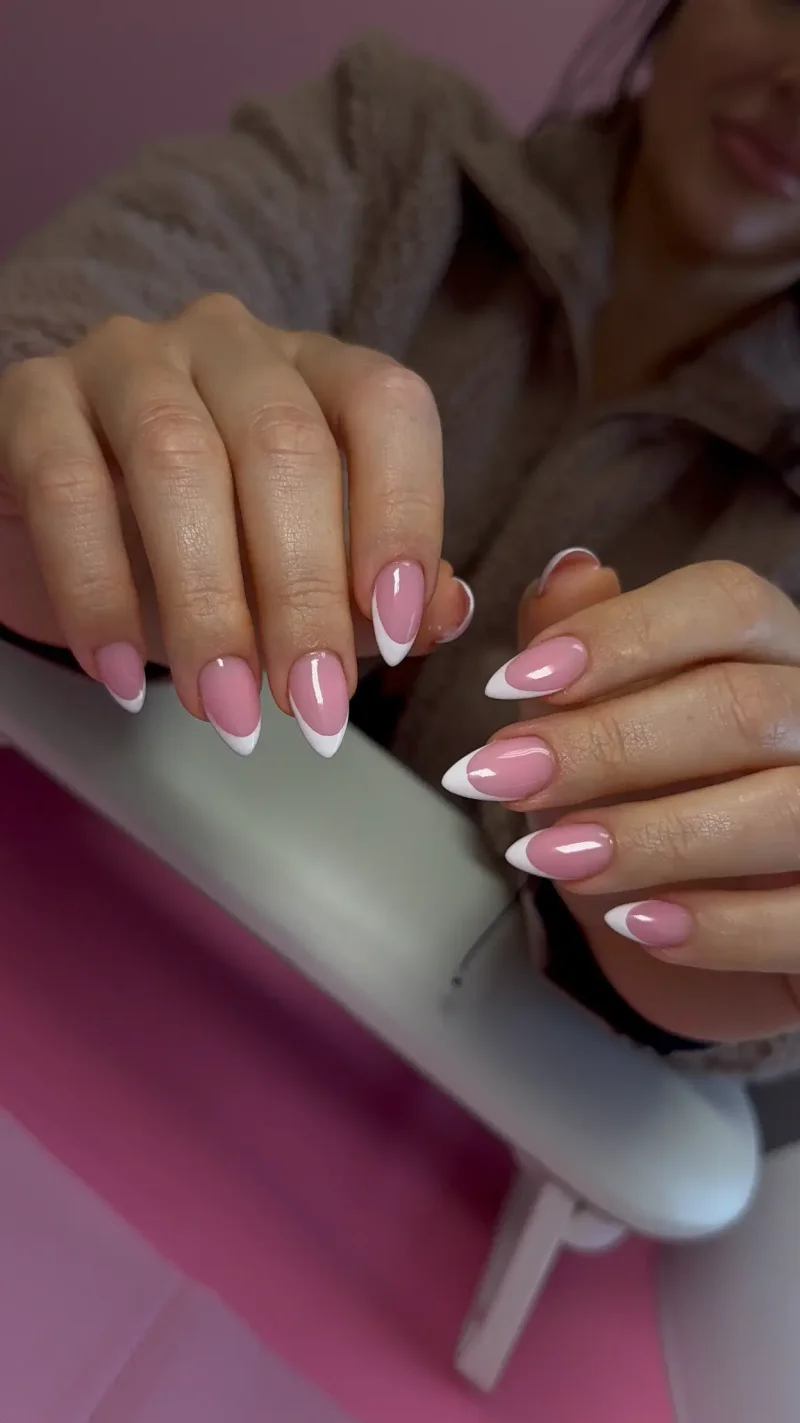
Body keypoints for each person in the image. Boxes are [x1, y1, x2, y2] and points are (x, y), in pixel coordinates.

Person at [1, 0, 800, 1075]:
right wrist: (59, 459)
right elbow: (71, 319)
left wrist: (694, 966)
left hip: (434, 1137)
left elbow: (746, 1003)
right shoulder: (391, 142)